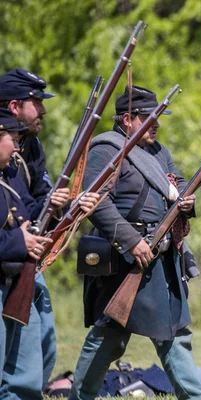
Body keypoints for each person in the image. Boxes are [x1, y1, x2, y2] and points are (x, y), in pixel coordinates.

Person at [68, 85, 201, 400]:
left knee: (174, 331)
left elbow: (178, 181)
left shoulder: (158, 151)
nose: (156, 124)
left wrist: (186, 201)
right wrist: (132, 242)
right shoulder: (106, 149)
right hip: (124, 257)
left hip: (161, 254)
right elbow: (96, 202)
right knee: (110, 335)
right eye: (149, 117)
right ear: (127, 119)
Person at [0, 69, 99, 399]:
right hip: (12, 257)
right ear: (15, 107)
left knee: (41, 342)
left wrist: (64, 204)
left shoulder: (31, 148)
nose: (42, 110)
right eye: (36, 102)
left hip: (25, 260)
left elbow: (34, 201)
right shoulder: (10, 153)